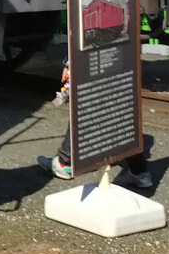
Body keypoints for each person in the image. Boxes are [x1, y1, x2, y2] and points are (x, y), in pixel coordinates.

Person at [38, 53, 153, 189]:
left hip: (98, 55)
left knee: (87, 102)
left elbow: (87, 35)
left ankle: (65, 163)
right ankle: (139, 171)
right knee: (120, 107)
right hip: (123, 53)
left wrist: (70, 63)